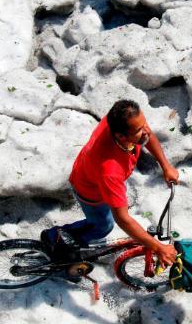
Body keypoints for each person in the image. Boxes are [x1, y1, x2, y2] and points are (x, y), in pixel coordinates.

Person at [61, 99, 179, 267]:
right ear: (120, 136)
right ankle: (61, 242)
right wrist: (158, 247)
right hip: (90, 191)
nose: (146, 130)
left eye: (144, 123)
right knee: (103, 225)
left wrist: (166, 166)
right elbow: (122, 219)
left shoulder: (121, 121)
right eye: (139, 130)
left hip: (91, 172)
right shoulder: (110, 170)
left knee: (104, 217)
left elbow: (148, 135)